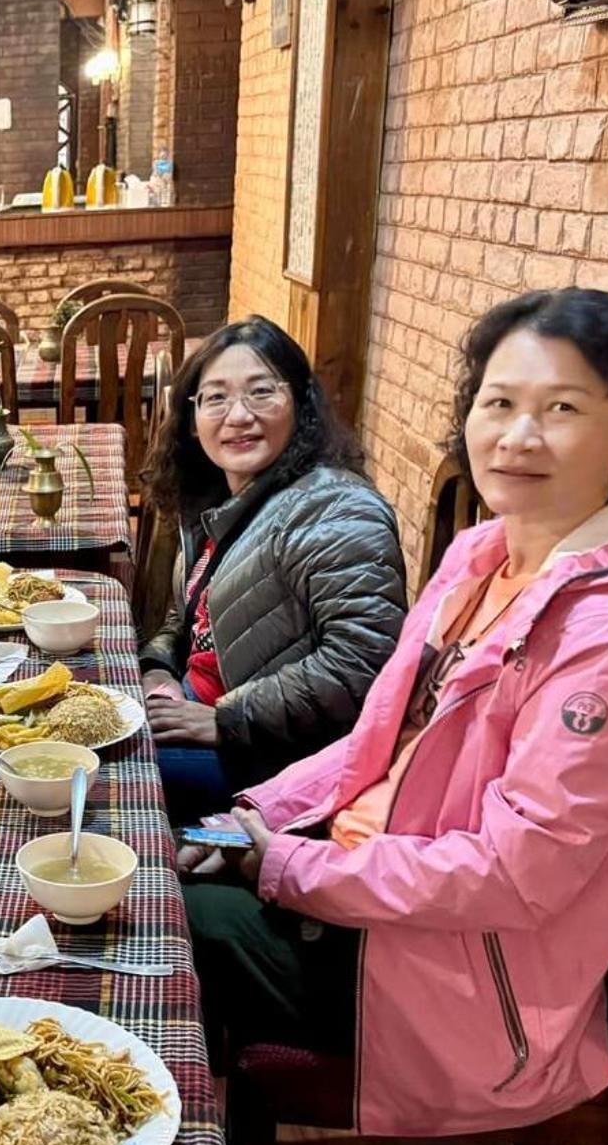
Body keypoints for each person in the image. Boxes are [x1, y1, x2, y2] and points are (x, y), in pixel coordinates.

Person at [180, 288, 608, 1139]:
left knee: (153, 921)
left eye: (562, 409)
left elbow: (518, 873)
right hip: (369, 894)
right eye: (498, 404)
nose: (517, 436)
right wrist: (252, 822)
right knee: (149, 858)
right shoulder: (484, 553)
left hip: (455, 982)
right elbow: (376, 742)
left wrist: (288, 870)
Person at [139, 316, 407, 821]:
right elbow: (190, 618)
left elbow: (362, 662)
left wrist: (224, 720)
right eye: (216, 398)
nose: (239, 415)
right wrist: (159, 673)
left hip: (272, 758)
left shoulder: (337, 509)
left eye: (261, 392)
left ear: (300, 403)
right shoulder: (223, 497)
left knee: (91, 767)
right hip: (201, 711)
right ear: (192, 419)